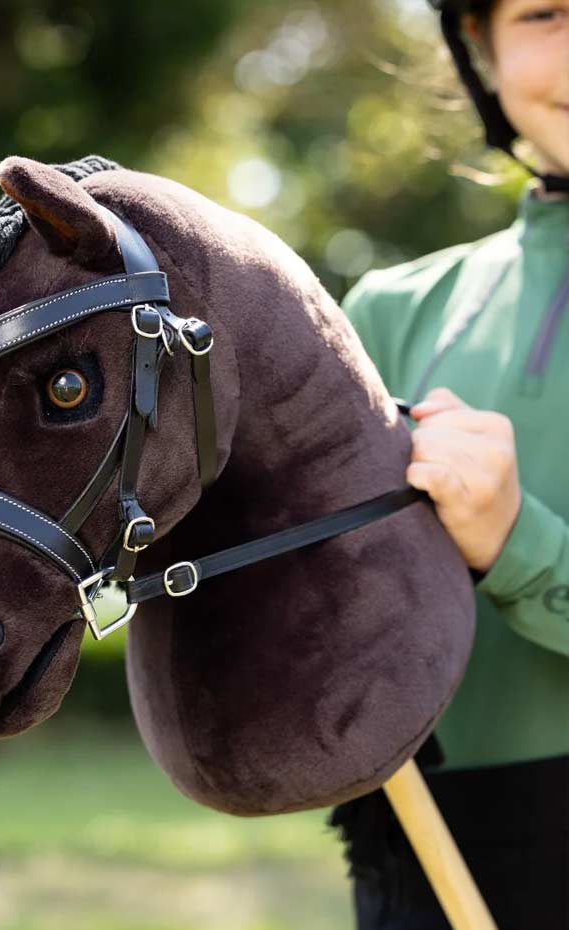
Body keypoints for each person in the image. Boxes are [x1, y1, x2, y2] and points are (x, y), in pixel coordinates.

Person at [327, 1, 569, 927]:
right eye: (545, 11)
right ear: (480, 45)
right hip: (421, 852)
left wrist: (518, 542)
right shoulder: (390, 309)